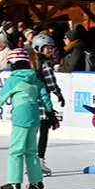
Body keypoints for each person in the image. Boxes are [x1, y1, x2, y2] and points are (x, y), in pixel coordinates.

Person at [0, 48, 47, 189]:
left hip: (21, 116)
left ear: (12, 64)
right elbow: (44, 94)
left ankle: (14, 183)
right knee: (32, 151)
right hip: (34, 117)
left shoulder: (13, 80)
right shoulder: (34, 78)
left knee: (16, 151)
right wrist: (50, 112)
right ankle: (36, 182)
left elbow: (0, 99)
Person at [31, 46, 67, 175]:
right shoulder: (45, 63)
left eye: (52, 48)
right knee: (43, 132)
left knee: (31, 133)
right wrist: (59, 94)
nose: (50, 50)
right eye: (47, 48)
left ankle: (30, 161)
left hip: (30, 102)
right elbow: (51, 82)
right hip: (42, 102)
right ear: (39, 47)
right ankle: (39, 161)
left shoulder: (30, 61)